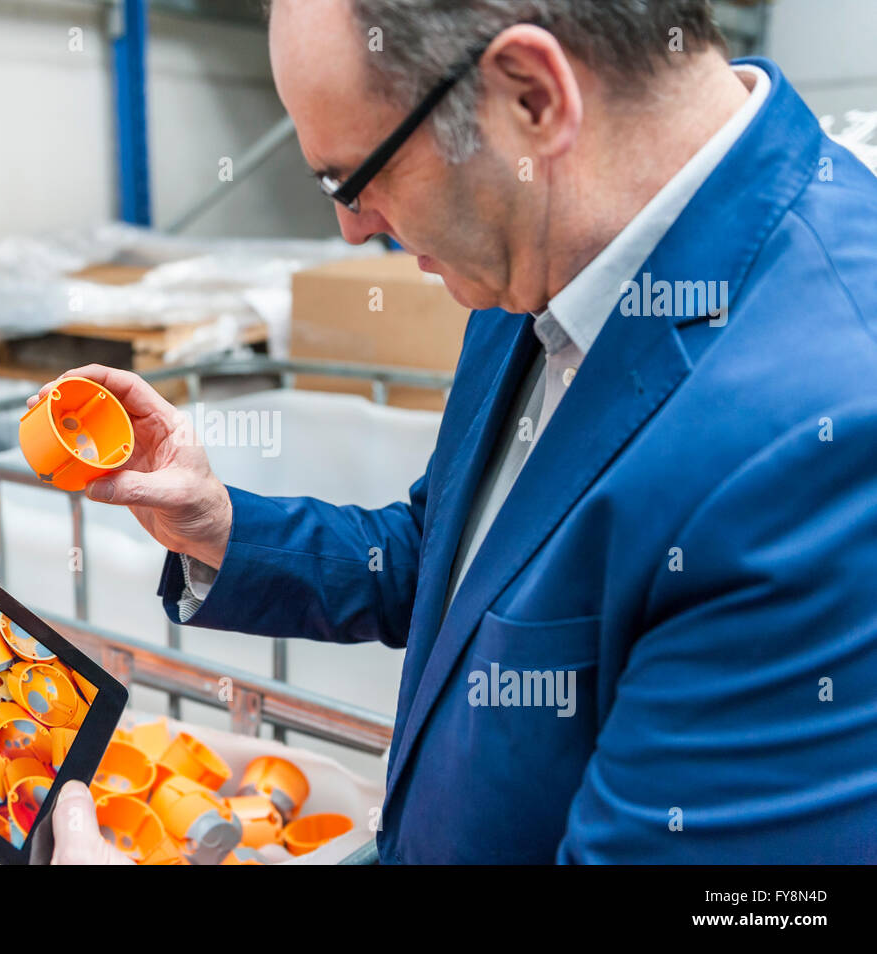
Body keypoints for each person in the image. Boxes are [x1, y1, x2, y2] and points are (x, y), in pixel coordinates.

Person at [47, 0, 877, 864]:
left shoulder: (828, 443)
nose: (352, 225)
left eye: (352, 177)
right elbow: (469, 562)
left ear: (530, 99)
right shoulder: (543, 253)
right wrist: (225, 530)